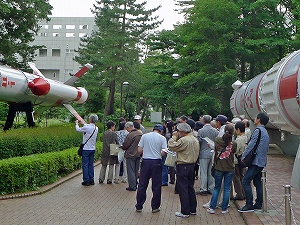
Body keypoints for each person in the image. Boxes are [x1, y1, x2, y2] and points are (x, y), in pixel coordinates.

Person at [239, 113, 270, 213]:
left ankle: (249, 204)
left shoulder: (258, 131)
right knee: (257, 182)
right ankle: (258, 203)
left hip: (255, 161)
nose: (254, 119)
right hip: (261, 161)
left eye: (256, 118)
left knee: (245, 181)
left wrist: (243, 156)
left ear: (259, 119)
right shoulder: (265, 131)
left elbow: (251, 145)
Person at [168, 123, 199, 218]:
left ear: (183, 131)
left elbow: (172, 146)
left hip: (183, 165)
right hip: (192, 165)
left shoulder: (184, 140)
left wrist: (173, 137)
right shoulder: (195, 139)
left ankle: (185, 211)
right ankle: (192, 209)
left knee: (183, 188)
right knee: (190, 187)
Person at [135, 124, 167, 213]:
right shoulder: (162, 138)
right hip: (156, 162)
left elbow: (139, 150)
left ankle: (139, 205)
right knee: (156, 185)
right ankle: (155, 207)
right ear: (160, 131)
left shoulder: (144, 136)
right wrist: (158, 153)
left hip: (146, 161)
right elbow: (164, 152)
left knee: (142, 184)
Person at [207, 124, 237, 214]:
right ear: (233, 133)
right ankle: (224, 209)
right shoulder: (234, 144)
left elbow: (215, 149)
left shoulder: (217, 140)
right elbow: (234, 151)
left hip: (219, 167)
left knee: (217, 187)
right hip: (230, 168)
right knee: (227, 188)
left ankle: (212, 207)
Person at [197, 115, 219, 195]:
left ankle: (203, 188)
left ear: (203, 121)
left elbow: (198, 141)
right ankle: (211, 187)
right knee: (210, 172)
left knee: (203, 172)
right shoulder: (215, 131)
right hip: (213, 152)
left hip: (203, 153)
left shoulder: (201, 131)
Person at [75, 114, 99, 186]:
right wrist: (83, 123)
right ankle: (91, 179)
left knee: (85, 165)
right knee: (91, 164)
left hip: (86, 149)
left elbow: (78, 129)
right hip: (92, 148)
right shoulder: (96, 128)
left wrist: (76, 123)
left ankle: (86, 180)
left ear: (90, 120)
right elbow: (87, 126)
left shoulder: (86, 127)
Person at [122, 121, 142, 191]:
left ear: (129, 127)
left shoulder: (130, 135)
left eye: (126, 128)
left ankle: (132, 186)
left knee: (130, 171)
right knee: (136, 170)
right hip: (138, 154)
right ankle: (135, 183)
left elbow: (125, 145)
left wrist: (123, 147)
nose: (126, 129)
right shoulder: (140, 134)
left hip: (130, 154)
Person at [231, 121, 247, 200]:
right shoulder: (246, 137)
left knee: (236, 177)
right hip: (243, 160)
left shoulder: (239, 139)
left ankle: (239, 194)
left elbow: (236, 150)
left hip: (237, 160)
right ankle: (244, 193)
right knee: (242, 176)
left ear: (238, 129)